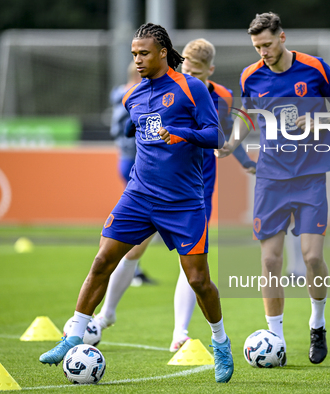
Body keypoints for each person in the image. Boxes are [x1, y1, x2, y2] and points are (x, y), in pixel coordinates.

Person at [40, 23, 234, 384]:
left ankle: (220, 343)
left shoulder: (190, 88)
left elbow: (215, 135)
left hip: (183, 202)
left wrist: (181, 134)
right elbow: (134, 130)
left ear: (163, 52)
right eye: (134, 54)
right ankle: (71, 336)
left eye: (144, 53)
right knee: (102, 261)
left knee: (199, 280)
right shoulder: (133, 96)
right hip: (139, 196)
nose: (138, 59)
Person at [96, 38, 256, 353]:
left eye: (198, 71)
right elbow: (136, 121)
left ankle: (179, 332)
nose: (191, 75)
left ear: (210, 70)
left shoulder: (220, 97)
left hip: (194, 191)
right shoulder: (169, 87)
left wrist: (245, 159)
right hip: (153, 187)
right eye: (188, 69)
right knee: (132, 251)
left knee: (192, 264)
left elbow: (224, 136)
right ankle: (105, 316)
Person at [217, 12, 330, 366]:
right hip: (271, 177)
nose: (262, 51)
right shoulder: (251, 75)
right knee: (270, 260)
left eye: (267, 44)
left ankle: (317, 324)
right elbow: (247, 115)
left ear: (282, 37)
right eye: (257, 46)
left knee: (311, 257)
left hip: (311, 174)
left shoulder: (315, 68)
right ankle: (275, 338)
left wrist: (322, 120)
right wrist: (232, 143)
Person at [108, 61, 155, 288]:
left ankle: (133, 267)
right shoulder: (132, 95)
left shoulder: (120, 95)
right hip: (134, 160)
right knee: (145, 220)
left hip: (127, 160)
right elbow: (124, 130)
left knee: (143, 218)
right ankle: (130, 267)